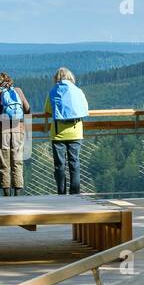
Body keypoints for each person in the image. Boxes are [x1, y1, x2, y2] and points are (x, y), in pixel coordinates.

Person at [45, 67, 88, 195]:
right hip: (76, 132)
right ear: (71, 77)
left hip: (58, 133)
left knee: (60, 165)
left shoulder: (53, 91)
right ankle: (75, 193)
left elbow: (48, 109)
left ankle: (61, 193)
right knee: (74, 163)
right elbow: (85, 108)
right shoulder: (78, 91)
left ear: (56, 78)